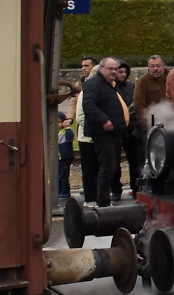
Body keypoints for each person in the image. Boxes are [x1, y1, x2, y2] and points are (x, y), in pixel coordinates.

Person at [82, 57, 132, 207]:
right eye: (110, 69)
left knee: (110, 166)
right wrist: (104, 120)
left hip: (115, 133)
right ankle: (103, 202)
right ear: (101, 69)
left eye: (115, 69)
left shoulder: (109, 84)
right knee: (107, 167)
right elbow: (89, 105)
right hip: (103, 133)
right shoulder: (93, 84)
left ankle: (103, 199)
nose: (114, 72)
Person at [74, 57, 98, 202]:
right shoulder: (85, 92)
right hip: (87, 136)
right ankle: (91, 197)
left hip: (99, 136)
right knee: (89, 169)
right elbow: (80, 116)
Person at [116, 61, 141, 198]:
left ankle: (135, 187)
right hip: (117, 130)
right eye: (120, 72)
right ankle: (116, 189)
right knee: (114, 163)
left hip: (131, 130)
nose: (123, 74)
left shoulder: (132, 87)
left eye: (125, 72)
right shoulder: (111, 87)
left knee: (135, 161)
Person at [133, 55, 168, 132]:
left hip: (172, 120)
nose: (155, 69)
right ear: (148, 67)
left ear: (164, 65)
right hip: (152, 123)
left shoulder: (171, 77)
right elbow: (139, 105)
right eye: (152, 66)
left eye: (158, 66)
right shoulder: (142, 82)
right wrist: (147, 124)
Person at [56, 111, 75, 200]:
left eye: (59, 122)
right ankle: (59, 191)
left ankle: (65, 192)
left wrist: (67, 128)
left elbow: (70, 138)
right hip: (58, 158)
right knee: (58, 176)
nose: (57, 124)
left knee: (64, 176)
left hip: (65, 157)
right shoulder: (54, 133)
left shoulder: (66, 132)